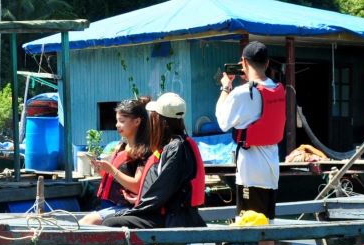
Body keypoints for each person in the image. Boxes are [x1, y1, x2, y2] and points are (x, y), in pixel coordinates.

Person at [102, 92, 206, 229]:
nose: (151, 119)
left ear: (160, 119)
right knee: (112, 220)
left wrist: (136, 209)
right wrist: (140, 199)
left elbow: (163, 191)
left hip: (171, 218)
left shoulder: (176, 148)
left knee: (110, 223)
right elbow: (162, 189)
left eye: (154, 115)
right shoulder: (177, 144)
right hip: (167, 214)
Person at [216, 41, 286, 221]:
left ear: (244, 63)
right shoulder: (278, 88)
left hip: (250, 170)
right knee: (267, 224)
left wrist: (225, 87)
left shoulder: (242, 92)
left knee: (248, 225)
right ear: (267, 63)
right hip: (271, 167)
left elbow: (223, 122)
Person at [79, 97, 151, 226]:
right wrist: (101, 170)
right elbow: (115, 179)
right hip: (110, 204)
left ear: (137, 121)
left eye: (122, 121)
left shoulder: (144, 151)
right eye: (117, 121)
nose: (117, 125)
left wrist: (112, 169)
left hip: (126, 207)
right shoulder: (121, 146)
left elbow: (136, 185)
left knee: (86, 222)